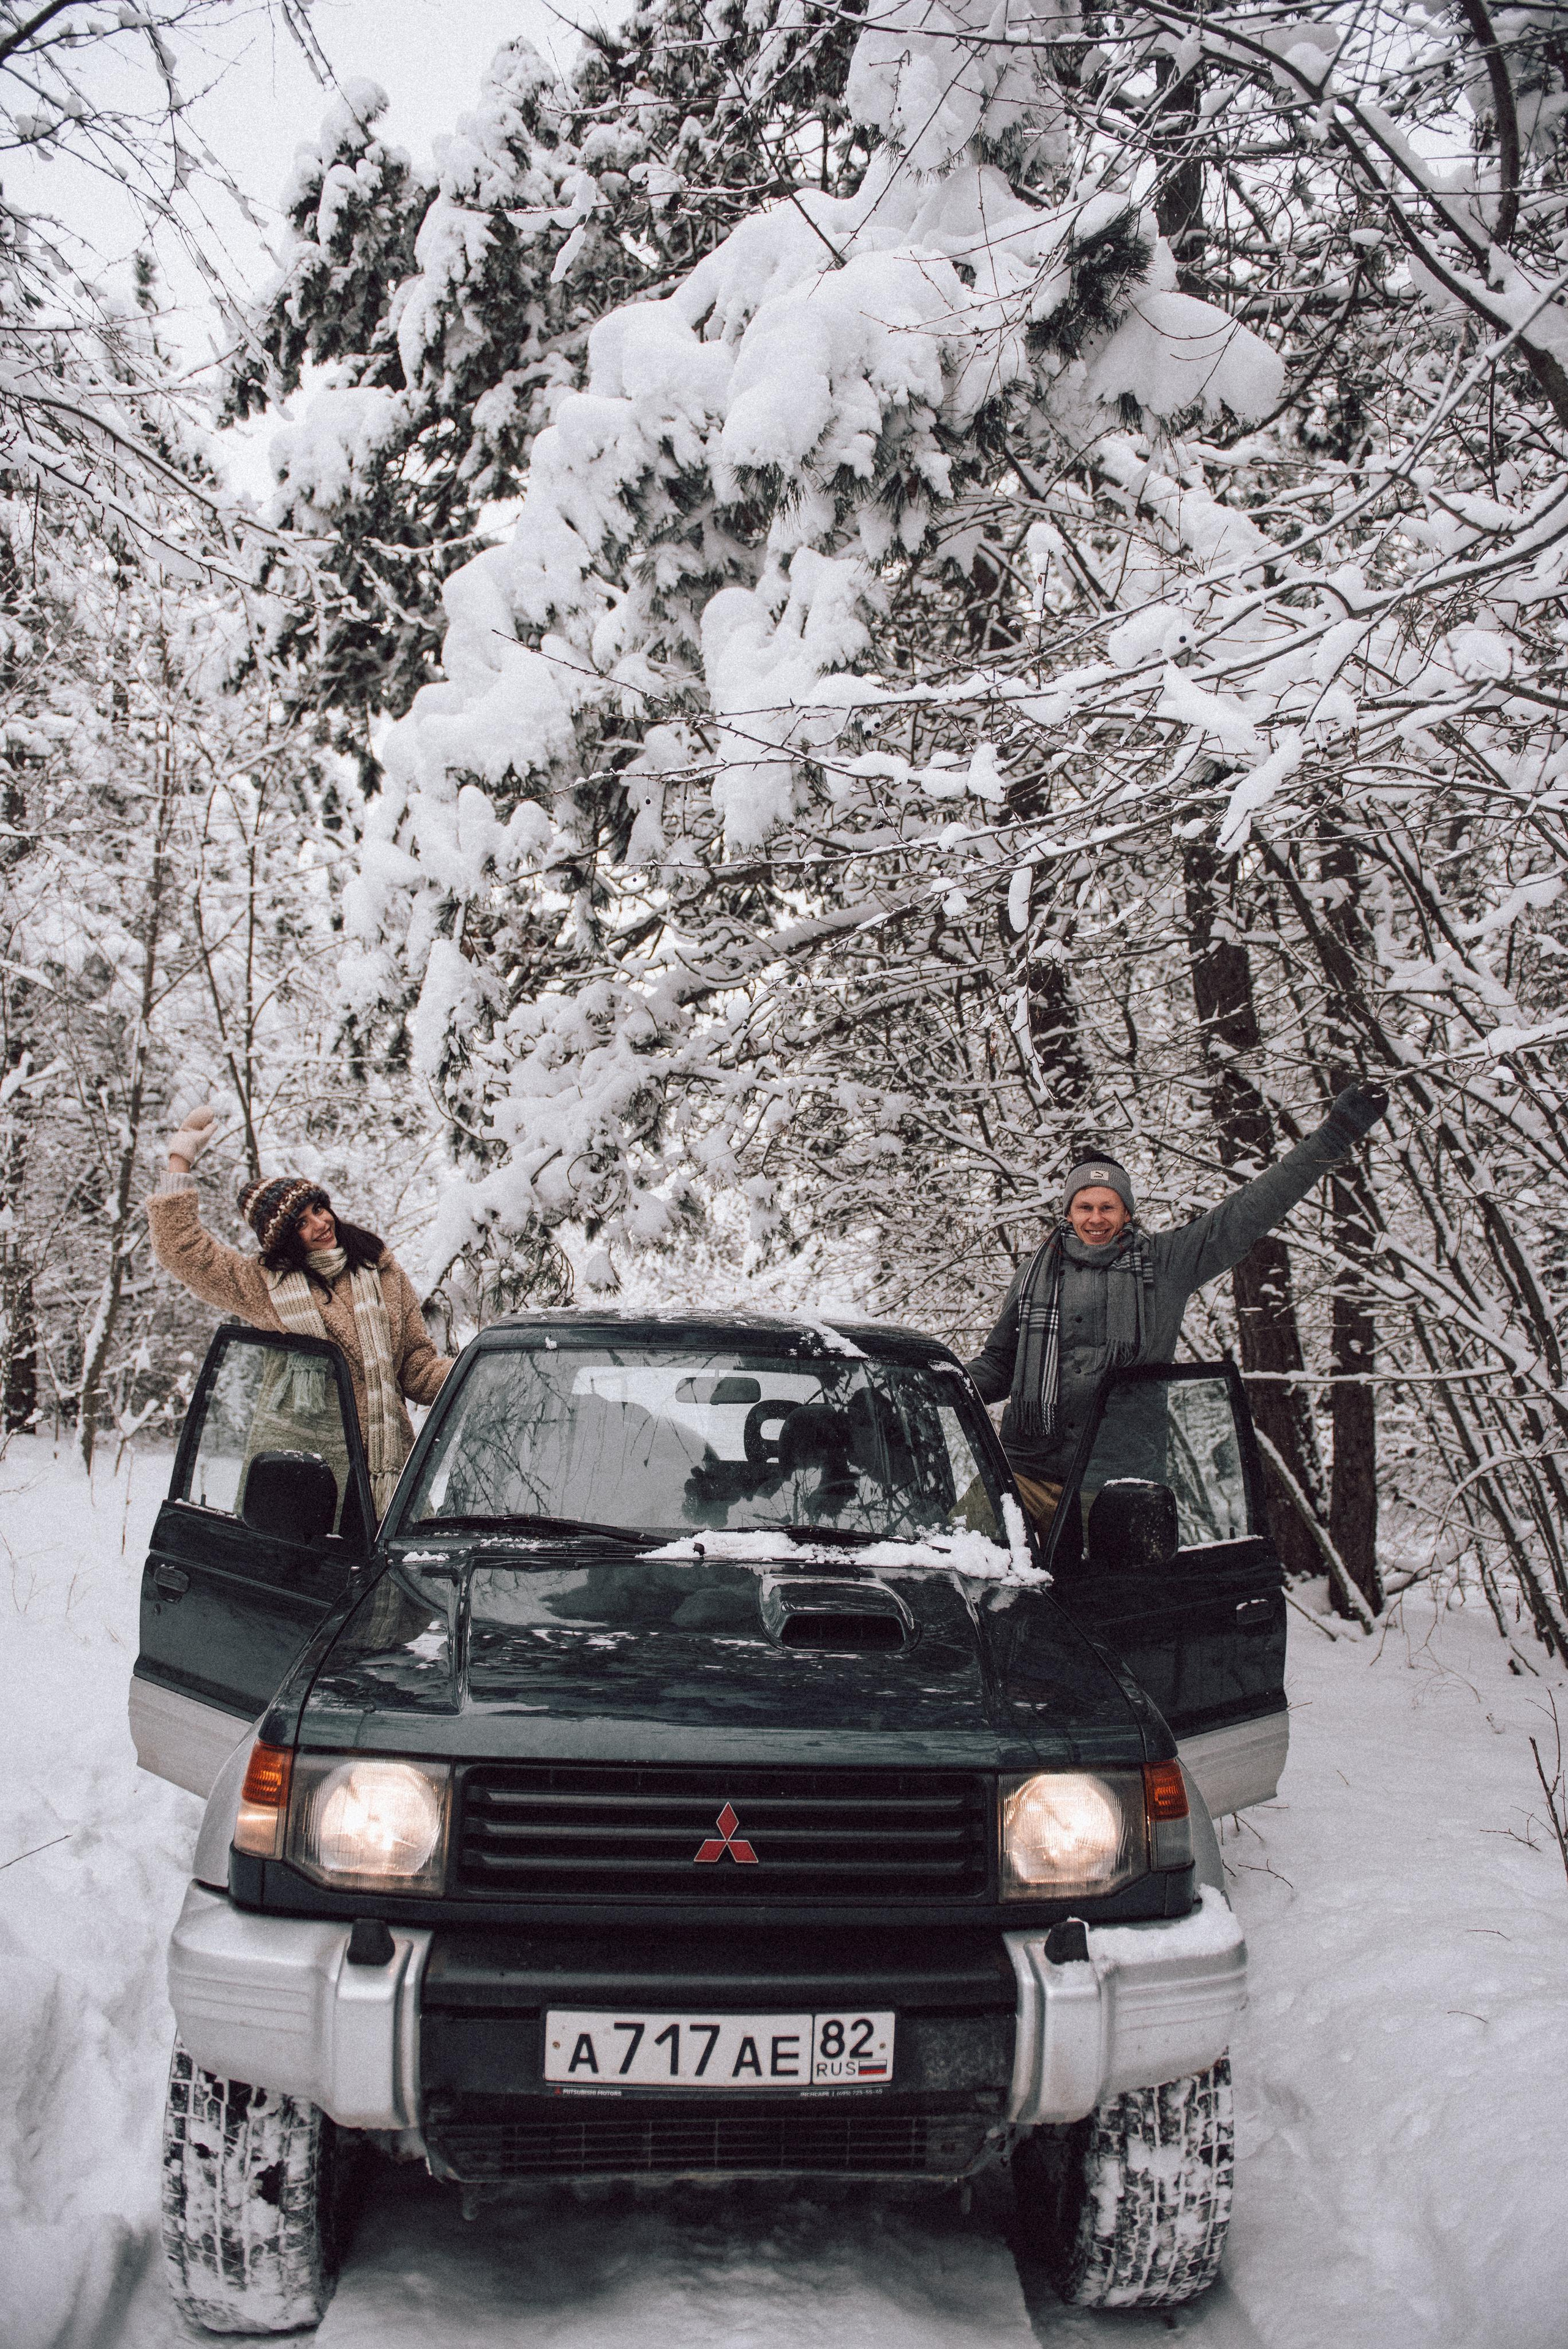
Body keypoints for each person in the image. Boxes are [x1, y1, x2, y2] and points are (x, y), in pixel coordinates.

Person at [965, 1081, 1389, 1533]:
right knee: (951, 1563)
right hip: (1023, 1474)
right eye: (1084, 1205)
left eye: (1108, 1206)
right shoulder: (1034, 1273)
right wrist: (931, 1388)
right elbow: (999, 1363)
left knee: (1110, 1600)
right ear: (1068, 1212)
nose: (1095, 1217)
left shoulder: (1166, 1264)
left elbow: (1249, 1211)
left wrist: (1336, 1134)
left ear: (1127, 1212)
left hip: (1114, 1485)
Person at [147, 1103, 452, 1513]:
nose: (320, 1224)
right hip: (298, 1484)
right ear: (286, 1242)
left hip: (385, 1479)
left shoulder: (379, 1269)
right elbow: (182, 1249)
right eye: (302, 1224)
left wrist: (476, 1371)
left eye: (318, 1209)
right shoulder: (266, 1287)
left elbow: (415, 1367)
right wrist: (180, 1157)